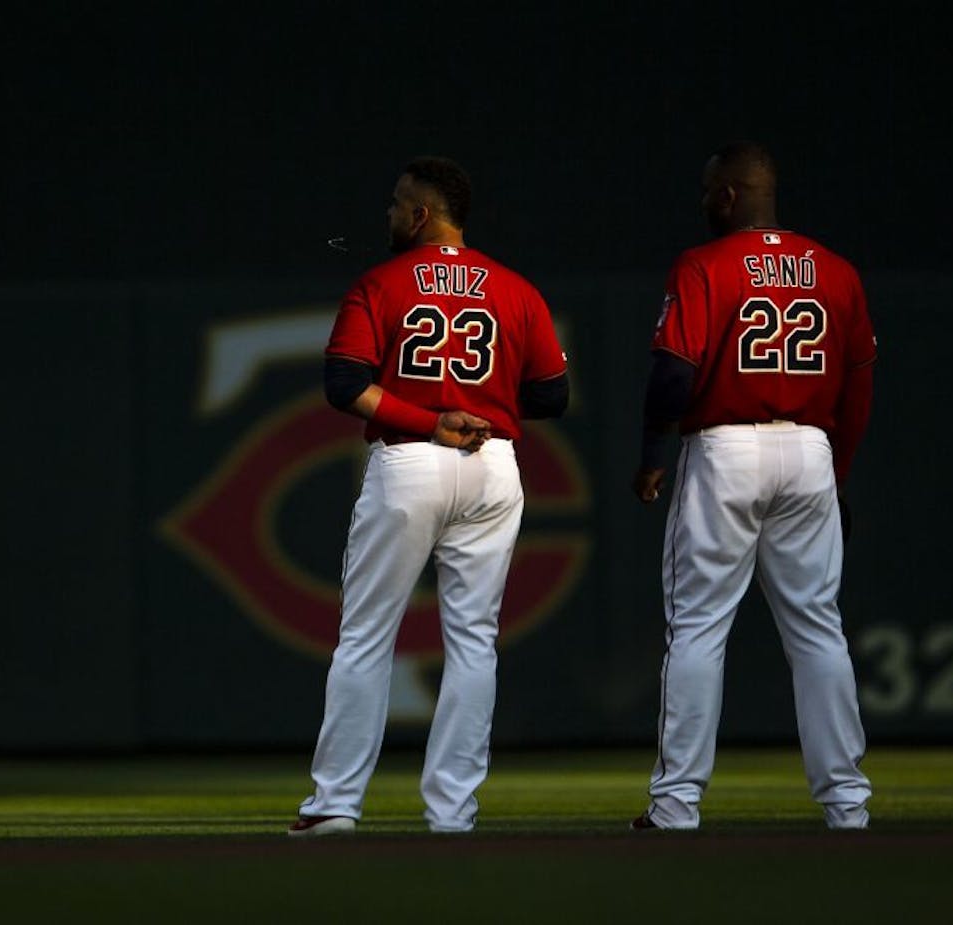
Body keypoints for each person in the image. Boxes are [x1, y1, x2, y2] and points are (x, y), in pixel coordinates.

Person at [289, 156, 570, 836]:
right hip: (493, 462)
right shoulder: (514, 288)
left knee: (365, 636)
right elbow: (551, 395)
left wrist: (430, 418)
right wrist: (478, 408)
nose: (388, 214)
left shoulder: (382, 282)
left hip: (411, 459)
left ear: (421, 215)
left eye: (395, 204)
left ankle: (334, 805)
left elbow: (344, 383)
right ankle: (452, 812)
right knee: (474, 642)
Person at [630, 141, 875, 831]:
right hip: (809, 450)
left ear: (730, 195)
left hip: (726, 447)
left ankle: (677, 803)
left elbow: (675, 370)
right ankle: (847, 803)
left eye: (711, 190)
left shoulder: (706, 263)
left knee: (699, 628)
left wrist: (652, 450)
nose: (704, 200)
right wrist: (837, 472)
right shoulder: (835, 270)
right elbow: (857, 388)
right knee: (818, 630)